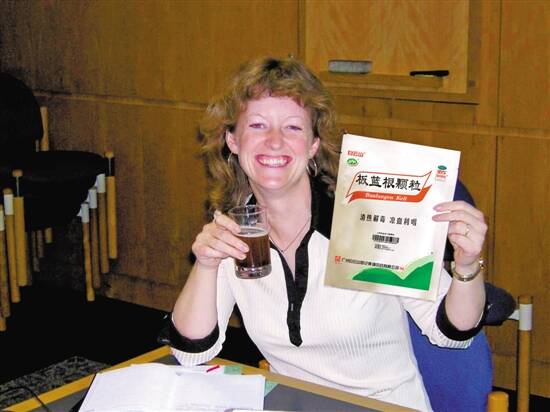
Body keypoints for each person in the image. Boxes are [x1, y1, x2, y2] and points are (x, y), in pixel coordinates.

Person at [163, 57, 488, 411]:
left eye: (293, 127)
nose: (274, 141)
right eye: (257, 125)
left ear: (314, 145)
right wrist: (207, 265)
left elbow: (452, 331)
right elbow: (191, 351)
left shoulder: (366, 215)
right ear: (233, 140)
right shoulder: (237, 231)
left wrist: (467, 265)